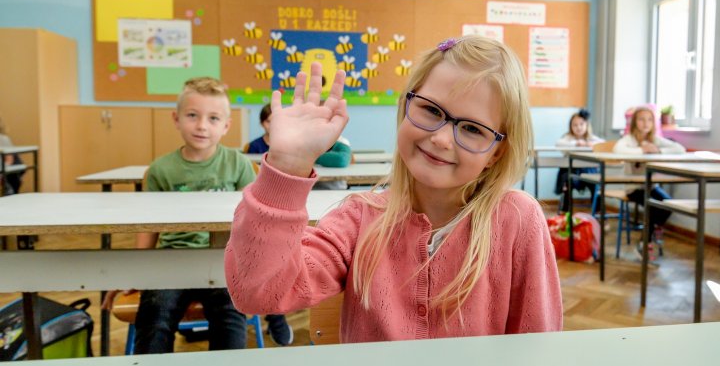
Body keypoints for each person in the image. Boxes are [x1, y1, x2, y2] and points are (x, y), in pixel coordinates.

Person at [225, 35, 563, 342]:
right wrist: (287, 166)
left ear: (496, 152)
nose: (442, 139)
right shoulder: (360, 218)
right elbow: (259, 293)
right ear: (406, 106)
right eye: (431, 110)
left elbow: (538, 346)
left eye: (473, 129)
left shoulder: (517, 219)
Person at [102, 77, 256, 353]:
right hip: (171, 260)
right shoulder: (162, 170)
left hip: (221, 262)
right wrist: (137, 270)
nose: (201, 126)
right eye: (192, 116)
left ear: (226, 126)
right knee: (155, 317)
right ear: (176, 119)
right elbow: (149, 226)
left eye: (213, 118)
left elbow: (250, 224)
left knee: (230, 318)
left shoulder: (238, 165)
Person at [613, 105, 685, 261]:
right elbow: (618, 150)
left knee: (668, 204)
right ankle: (645, 243)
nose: (645, 123)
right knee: (654, 206)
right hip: (633, 188)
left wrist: (658, 150)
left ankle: (651, 231)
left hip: (651, 186)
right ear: (634, 123)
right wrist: (643, 150)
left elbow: (680, 148)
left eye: (649, 120)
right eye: (641, 119)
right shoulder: (629, 139)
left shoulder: (655, 140)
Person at [554, 109, 604, 212]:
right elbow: (559, 143)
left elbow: (603, 143)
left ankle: (598, 213)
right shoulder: (568, 138)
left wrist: (591, 144)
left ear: (587, 125)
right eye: (575, 125)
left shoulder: (591, 138)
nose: (578, 127)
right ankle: (565, 213)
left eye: (581, 124)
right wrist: (576, 144)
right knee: (567, 181)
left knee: (596, 185)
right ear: (571, 127)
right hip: (572, 172)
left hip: (588, 172)